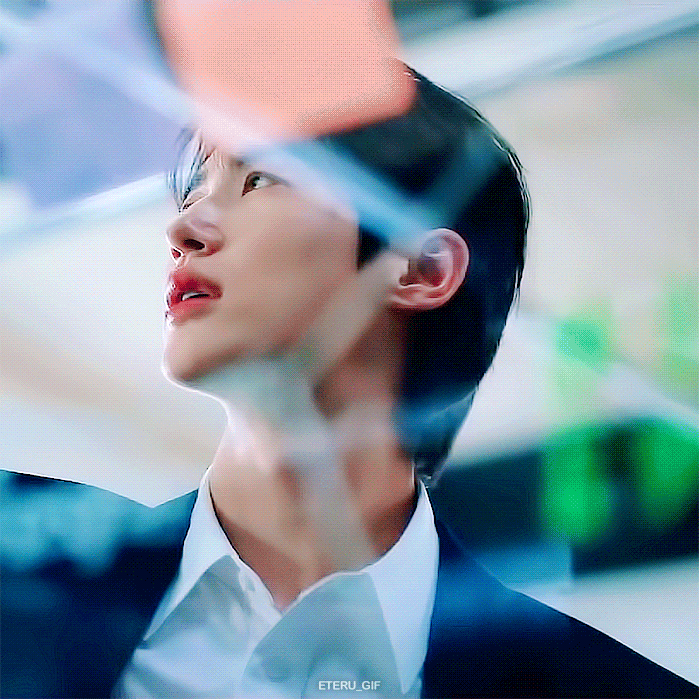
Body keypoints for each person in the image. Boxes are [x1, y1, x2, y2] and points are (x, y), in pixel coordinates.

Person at [1, 69, 695, 699]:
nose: (183, 227)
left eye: (260, 179)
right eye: (194, 191)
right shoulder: (22, 567)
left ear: (420, 268)